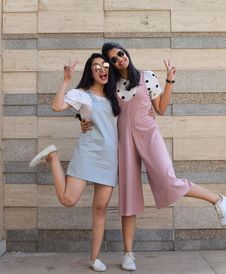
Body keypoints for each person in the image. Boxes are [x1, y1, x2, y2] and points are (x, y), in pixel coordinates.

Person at [81, 42, 226, 271]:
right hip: (125, 140)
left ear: (126, 53)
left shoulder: (146, 76)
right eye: (113, 59)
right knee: (129, 196)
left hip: (149, 134)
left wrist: (170, 79)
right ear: (110, 65)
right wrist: (83, 121)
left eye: (120, 54)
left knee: (167, 179)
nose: (119, 59)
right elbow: (91, 101)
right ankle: (129, 253)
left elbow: (160, 108)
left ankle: (218, 200)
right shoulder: (111, 87)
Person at [29, 53, 120, 272]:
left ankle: (95, 257)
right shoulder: (82, 95)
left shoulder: (115, 96)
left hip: (109, 159)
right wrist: (67, 81)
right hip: (88, 154)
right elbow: (57, 106)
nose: (101, 69)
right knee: (68, 199)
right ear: (90, 72)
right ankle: (53, 157)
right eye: (96, 66)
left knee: (100, 209)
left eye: (105, 65)